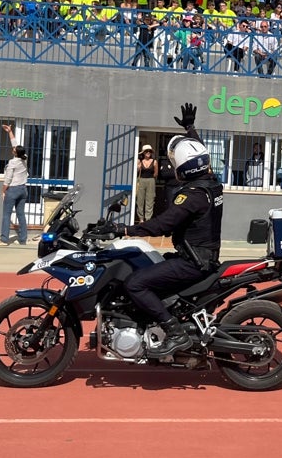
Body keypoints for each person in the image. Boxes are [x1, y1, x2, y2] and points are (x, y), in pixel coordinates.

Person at [94, 103, 223, 358]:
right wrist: (190, 130)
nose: (172, 165)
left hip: (193, 262)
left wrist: (124, 229)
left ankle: (174, 333)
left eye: (175, 161)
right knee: (146, 265)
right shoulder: (211, 184)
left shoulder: (194, 195)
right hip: (199, 256)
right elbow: (197, 159)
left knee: (135, 283)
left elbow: (163, 225)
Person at [0, 124, 29, 245]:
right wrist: (10, 132)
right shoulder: (24, 158)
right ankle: (23, 239)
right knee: (21, 215)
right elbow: (15, 144)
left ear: (15, 153)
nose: (13, 149)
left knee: (6, 214)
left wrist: (3, 191)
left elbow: (8, 179)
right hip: (23, 190)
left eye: (14, 150)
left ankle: (4, 239)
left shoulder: (12, 162)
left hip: (13, 190)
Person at [135, 144, 159, 223]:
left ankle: (148, 219)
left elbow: (156, 173)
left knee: (150, 200)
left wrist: (152, 179)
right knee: (140, 200)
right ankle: (141, 219)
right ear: (143, 153)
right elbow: (136, 172)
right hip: (141, 180)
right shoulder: (140, 161)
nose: (148, 153)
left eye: (149, 151)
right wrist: (138, 166)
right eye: (146, 151)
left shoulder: (154, 161)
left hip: (151, 180)